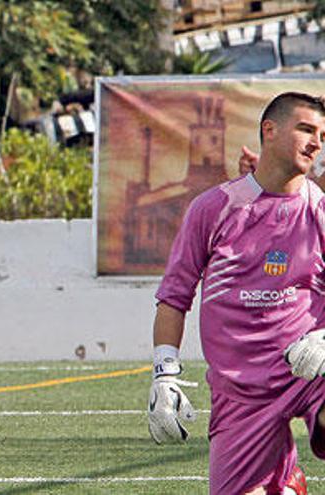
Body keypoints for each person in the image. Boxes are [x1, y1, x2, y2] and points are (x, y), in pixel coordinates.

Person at [148, 91, 325, 495]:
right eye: (305, 129)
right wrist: (164, 376)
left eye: (322, 134)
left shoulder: (321, 211)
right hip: (240, 391)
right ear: (269, 130)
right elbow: (174, 297)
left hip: (310, 370)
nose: (316, 142)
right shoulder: (212, 208)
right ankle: (286, 481)